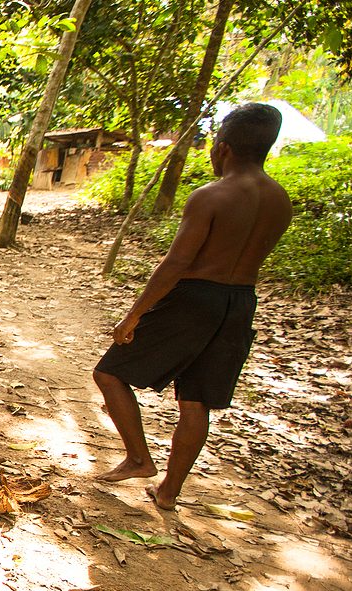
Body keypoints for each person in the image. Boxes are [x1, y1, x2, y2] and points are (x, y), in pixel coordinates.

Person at [92, 103, 291, 510]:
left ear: (223, 148)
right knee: (196, 400)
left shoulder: (212, 196)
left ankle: (138, 458)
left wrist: (134, 315)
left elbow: (177, 263)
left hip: (195, 296)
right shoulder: (280, 201)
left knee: (110, 373)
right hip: (239, 303)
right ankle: (168, 492)